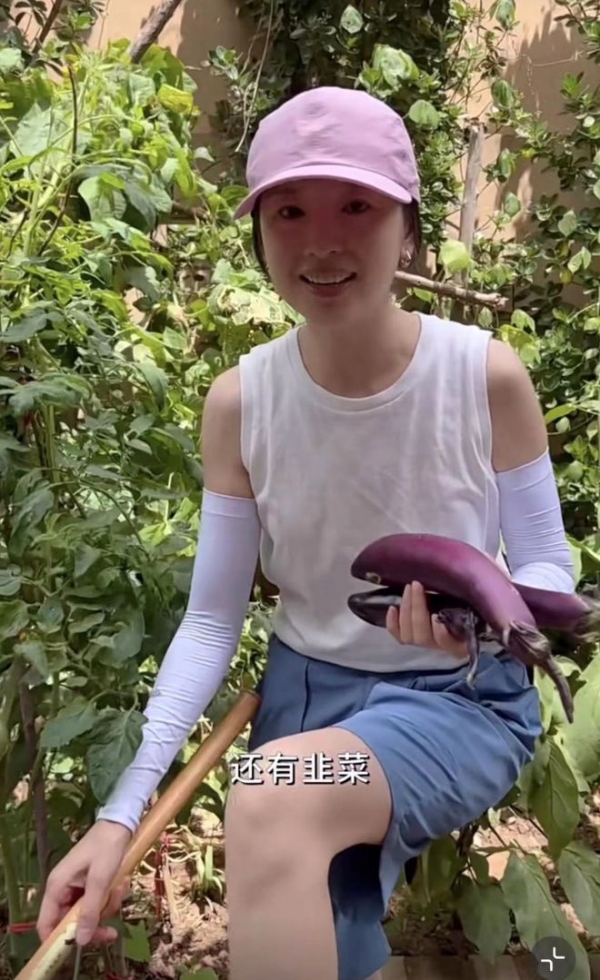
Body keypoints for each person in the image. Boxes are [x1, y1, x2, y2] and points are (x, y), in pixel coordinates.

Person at [36, 86, 576, 980]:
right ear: (258, 232)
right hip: (306, 696)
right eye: (289, 212)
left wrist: (485, 620)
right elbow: (212, 620)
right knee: (324, 928)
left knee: (272, 799)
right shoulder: (241, 403)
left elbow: (548, 562)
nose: (320, 241)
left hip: (461, 694)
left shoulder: (484, 378)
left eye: (356, 206)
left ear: (408, 229)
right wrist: (118, 816)